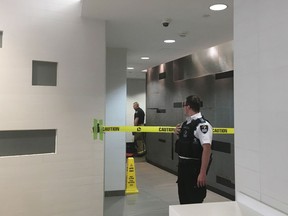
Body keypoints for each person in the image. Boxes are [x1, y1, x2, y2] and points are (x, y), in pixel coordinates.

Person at [174, 95, 213, 204]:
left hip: (194, 169)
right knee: (184, 200)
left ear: (188, 107)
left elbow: (207, 149)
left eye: (184, 105)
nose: (183, 108)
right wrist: (177, 133)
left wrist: (202, 173)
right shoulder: (186, 124)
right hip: (183, 169)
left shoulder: (202, 125)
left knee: (194, 200)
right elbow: (186, 144)